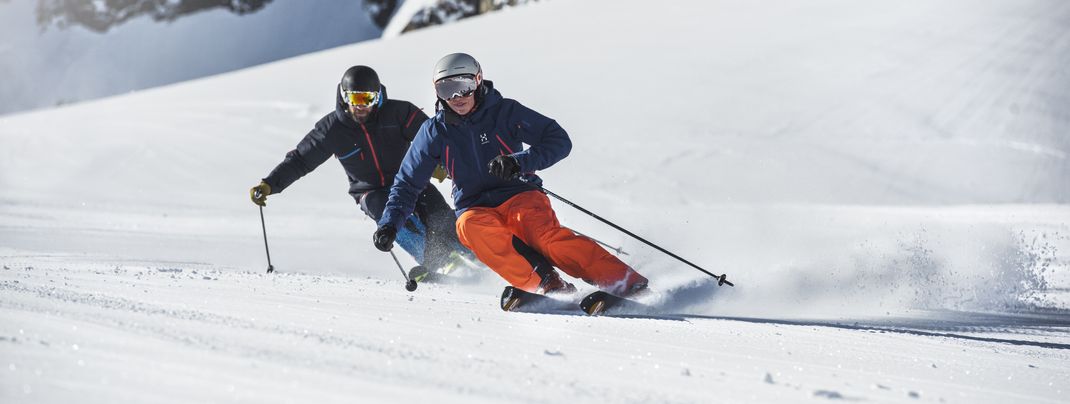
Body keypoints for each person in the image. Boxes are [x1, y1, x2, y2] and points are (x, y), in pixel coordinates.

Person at [372, 53, 649, 296]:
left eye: (464, 87)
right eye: (447, 89)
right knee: (469, 227)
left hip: (520, 195)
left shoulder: (504, 112)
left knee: (547, 240)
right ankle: (546, 284)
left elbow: (558, 139)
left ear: (478, 81)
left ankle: (622, 280)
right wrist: (389, 224)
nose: (457, 97)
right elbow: (407, 184)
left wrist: (520, 162)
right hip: (474, 205)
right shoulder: (434, 132)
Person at [250, 65, 469, 274]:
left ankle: (477, 255)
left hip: (409, 180)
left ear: (378, 97)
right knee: (392, 221)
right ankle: (439, 263)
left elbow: (434, 137)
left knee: (440, 217)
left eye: (368, 98)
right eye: (355, 98)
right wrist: (270, 184)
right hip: (370, 191)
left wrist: (440, 163)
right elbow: (300, 160)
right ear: (345, 97)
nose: (361, 105)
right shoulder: (331, 129)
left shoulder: (399, 113)